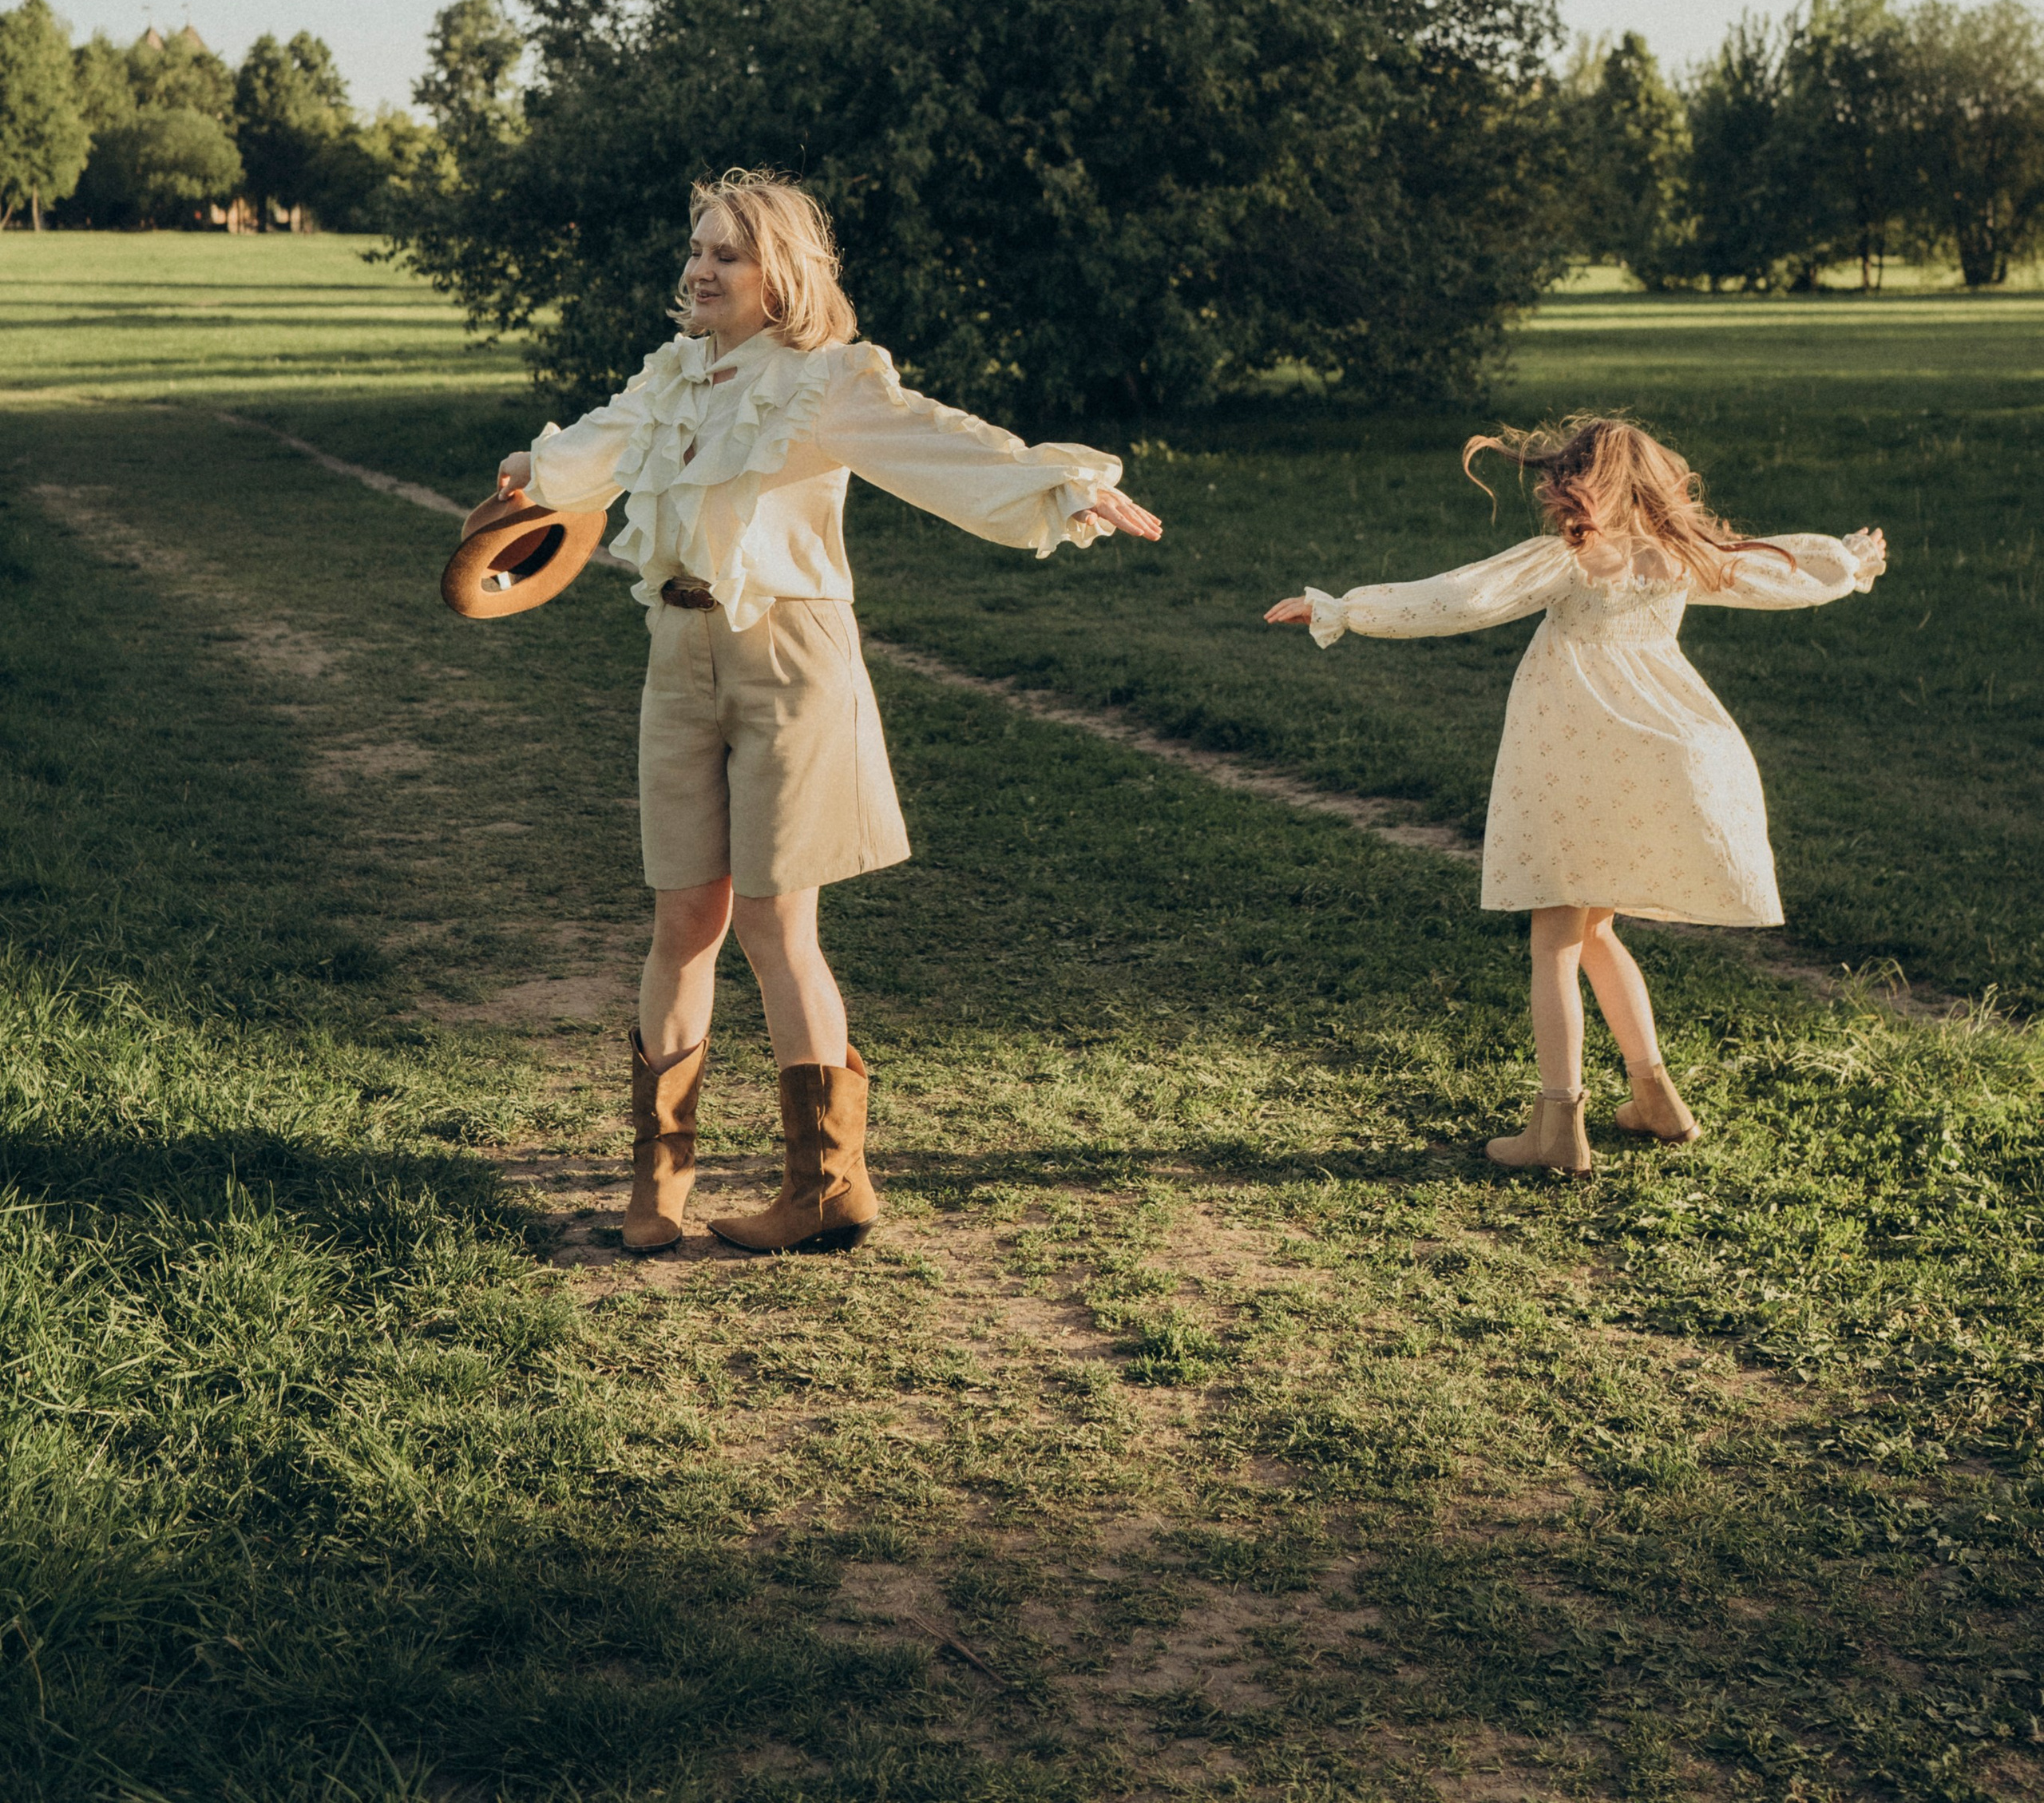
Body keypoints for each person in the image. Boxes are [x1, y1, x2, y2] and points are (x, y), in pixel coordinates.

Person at [491, 168, 1161, 1257]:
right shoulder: (673, 376)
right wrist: (534, 468)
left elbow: (936, 441)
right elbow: (594, 451)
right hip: (677, 650)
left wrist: (1057, 484)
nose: (702, 269)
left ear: (782, 277)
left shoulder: (824, 381)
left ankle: (825, 1186)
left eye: (729, 255)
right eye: (698, 249)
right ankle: (660, 1181)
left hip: (792, 655)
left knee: (772, 921)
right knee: (682, 920)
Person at [1265, 416, 1886, 1178]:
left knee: (1555, 939)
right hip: (1658, 757)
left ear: (1578, 480)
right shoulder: (1682, 557)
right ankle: (1656, 1099)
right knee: (1595, 933)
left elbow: (1459, 596)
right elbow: (1778, 574)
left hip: (1575, 765)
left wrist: (1343, 609)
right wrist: (1847, 564)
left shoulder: (1571, 557)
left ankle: (1558, 1126)